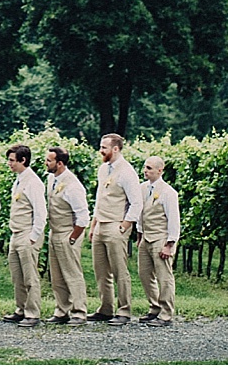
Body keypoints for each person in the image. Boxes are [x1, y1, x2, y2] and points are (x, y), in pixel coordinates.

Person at [89, 133, 143, 325]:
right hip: (100, 224)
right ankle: (105, 308)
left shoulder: (127, 172)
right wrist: (93, 223)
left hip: (116, 225)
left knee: (119, 269)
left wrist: (125, 225)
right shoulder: (103, 169)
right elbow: (99, 197)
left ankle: (124, 310)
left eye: (104, 147)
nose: (100, 150)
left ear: (116, 149)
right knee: (100, 269)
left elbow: (136, 202)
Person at [42, 146, 90, 326]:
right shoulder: (50, 179)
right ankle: (62, 310)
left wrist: (73, 237)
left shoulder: (72, 185)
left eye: (49, 160)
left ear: (59, 163)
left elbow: (83, 216)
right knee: (57, 275)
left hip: (67, 233)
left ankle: (79, 311)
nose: (46, 163)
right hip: (54, 232)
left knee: (72, 273)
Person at [2, 144, 46, 327]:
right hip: (16, 233)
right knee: (17, 275)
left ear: (23, 160)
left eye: (12, 160)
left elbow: (41, 213)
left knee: (29, 276)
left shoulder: (33, 182)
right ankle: (21, 309)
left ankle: (32, 313)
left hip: (27, 234)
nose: (9, 164)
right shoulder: (19, 180)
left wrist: (33, 237)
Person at [136, 155, 180, 327]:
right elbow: (141, 214)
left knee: (164, 277)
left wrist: (170, 244)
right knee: (144, 274)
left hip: (161, 239)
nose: (145, 171)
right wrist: (139, 235)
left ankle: (167, 313)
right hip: (146, 238)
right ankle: (154, 306)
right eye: (145, 167)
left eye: (149, 168)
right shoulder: (142, 189)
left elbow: (174, 220)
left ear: (160, 171)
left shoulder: (169, 192)